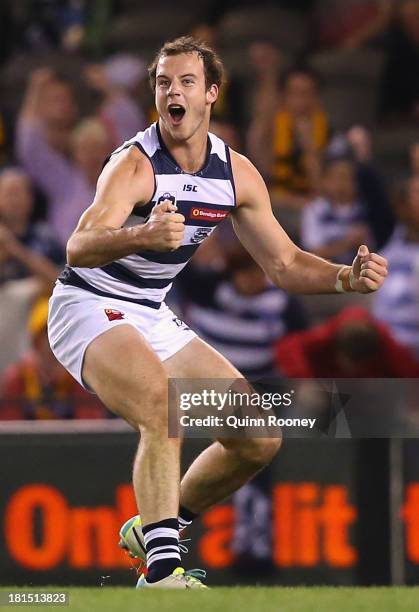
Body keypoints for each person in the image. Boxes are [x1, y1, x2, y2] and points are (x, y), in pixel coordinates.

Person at [47, 36, 388, 589]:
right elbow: (78, 247)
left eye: (185, 82)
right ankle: (162, 571)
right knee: (163, 405)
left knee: (258, 435)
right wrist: (142, 234)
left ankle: (157, 526)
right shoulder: (134, 163)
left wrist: (343, 278)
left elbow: (282, 263)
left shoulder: (236, 174)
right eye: (163, 82)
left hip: (148, 312)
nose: (171, 92)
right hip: (88, 304)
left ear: (211, 94)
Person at [1, 297, 108, 420]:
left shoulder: (82, 376)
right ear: (36, 341)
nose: (55, 339)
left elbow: (92, 429)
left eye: (62, 331)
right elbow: (10, 429)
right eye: (47, 333)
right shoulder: (18, 376)